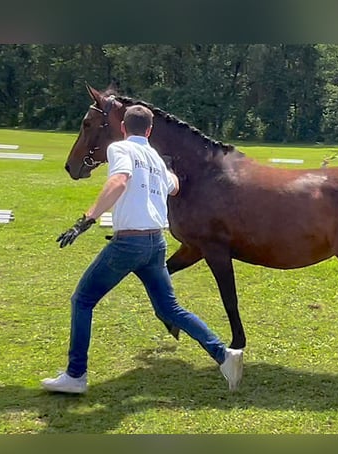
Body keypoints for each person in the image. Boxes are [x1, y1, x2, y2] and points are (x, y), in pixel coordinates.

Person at [42, 105, 244, 394]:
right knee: (170, 308)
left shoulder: (119, 149)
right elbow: (173, 187)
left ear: (123, 128)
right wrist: (172, 171)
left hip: (129, 243)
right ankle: (224, 355)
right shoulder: (154, 157)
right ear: (149, 130)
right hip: (155, 243)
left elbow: (119, 180)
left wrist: (87, 219)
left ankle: (75, 375)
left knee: (83, 300)